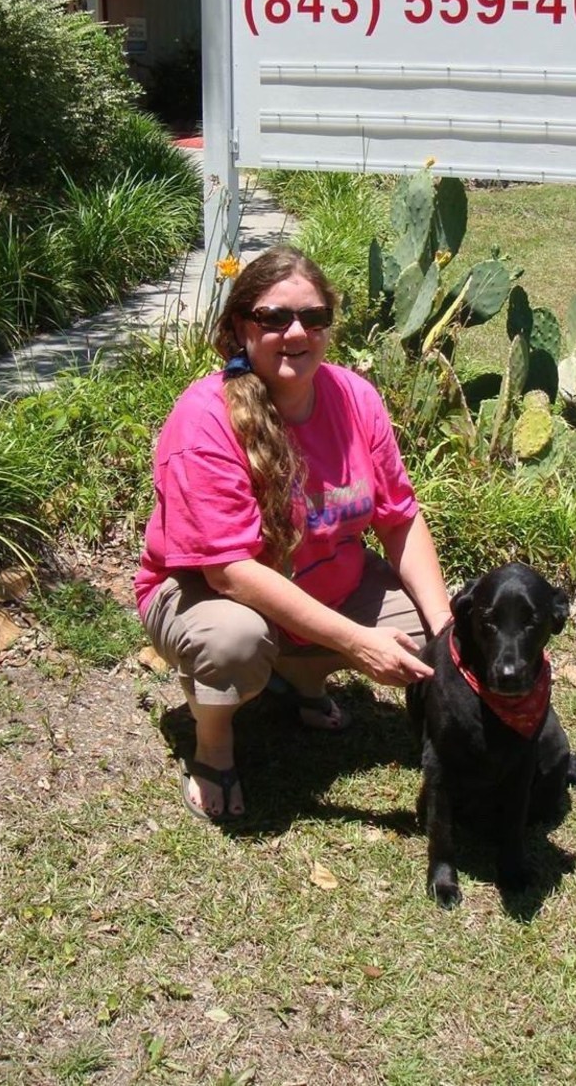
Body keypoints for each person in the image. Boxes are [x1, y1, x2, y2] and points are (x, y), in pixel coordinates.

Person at [134, 244, 452, 823]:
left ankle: (299, 671)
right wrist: (358, 643)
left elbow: (401, 519)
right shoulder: (205, 418)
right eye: (275, 318)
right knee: (234, 640)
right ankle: (214, 744)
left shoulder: (355, 398)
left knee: (438, 642)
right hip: (208, 598)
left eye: (313, 317)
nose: (296, 332)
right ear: (239, 327)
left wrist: (447, 629)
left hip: (324, 586)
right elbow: (228, 570)